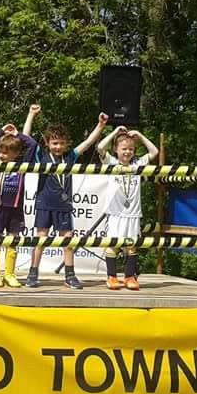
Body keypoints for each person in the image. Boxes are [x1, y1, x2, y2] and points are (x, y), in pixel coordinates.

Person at [22, 105, 108, 289]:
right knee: (41, 239)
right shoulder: (41, 156)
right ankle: (32, 273)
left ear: (66, 144)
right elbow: (26, 138)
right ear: (47, 143)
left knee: (68, 240)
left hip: (64, 206)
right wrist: (31, 115)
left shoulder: (70, 157)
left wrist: (100, 126)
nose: (58, 146)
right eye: (54, 143)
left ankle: (70, 275)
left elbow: (87, 144)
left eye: (61, 143)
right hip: (44, 204)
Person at [96, 125, 159, 290]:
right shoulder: (111, 162)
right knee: (114, 245)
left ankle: (130, 277)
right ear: (116, 150)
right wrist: (114, 133)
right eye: (124, 148)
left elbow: (154, 152)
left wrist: (139, 134)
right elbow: (100, 147)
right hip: (116, 213)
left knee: (132, 246)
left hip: (133, 213)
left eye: (131, 149)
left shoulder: (138, 163)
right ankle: (111, 277)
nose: (127, 152)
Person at [0, 122, 37, 287]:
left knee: (13, 240)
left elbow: (32, 144)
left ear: (16, 153)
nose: (1, 155)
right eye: (0, 151)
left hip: (15, 208)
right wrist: (2, 131)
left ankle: (9, 274)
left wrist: (17, 134)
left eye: (6, 152)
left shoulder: (22, 164)